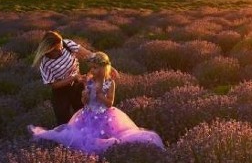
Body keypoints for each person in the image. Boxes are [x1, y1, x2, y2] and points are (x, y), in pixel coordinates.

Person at [29, 52, 165, 154]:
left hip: (105, 116)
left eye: (95, 68)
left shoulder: (109, 83)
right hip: (86, 115)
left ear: (103, 68)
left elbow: (109, 104)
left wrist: (100, 95)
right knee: (81, 139)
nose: (92, 70)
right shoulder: (89, 81)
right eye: (92, 67)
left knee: (107, 139)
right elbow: (85, 102)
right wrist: (85, 97)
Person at [32, 30, 98, 126]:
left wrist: (105, 65)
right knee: (63, 120)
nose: (61, 51)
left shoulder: (66, 44)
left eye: (61, 47)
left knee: (84, 113)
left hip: (77, 85)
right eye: (56, 50)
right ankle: (67, 140)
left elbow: (88, 54)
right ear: (48, 49)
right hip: (61, 90)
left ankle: (86, 137)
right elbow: (54, 85)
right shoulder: (44, 62)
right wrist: (73, 77)